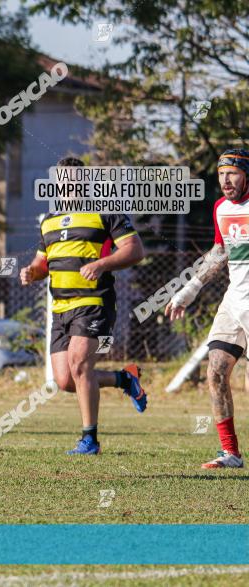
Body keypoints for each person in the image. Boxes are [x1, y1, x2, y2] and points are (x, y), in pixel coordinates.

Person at [20, 157, 147, 456]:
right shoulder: (49, 221)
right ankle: (124, 378)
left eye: (75, 178)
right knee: (65, 380)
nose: (69, 183)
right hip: (60, 308)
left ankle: (90, 440)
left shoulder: (105, 213)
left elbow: (135, 249)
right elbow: (42, 264)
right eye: (64, 178)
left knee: (80, 364)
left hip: (93, 302)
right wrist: (31, 272)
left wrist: (102, 264)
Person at [166, 148, 249, 469]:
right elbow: (219, 253)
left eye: (233, 173)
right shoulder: (220, 208)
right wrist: (189, 290)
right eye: (221, 174)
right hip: (234, 300)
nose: (226, 181)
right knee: (215, 371)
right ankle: (231, 453)